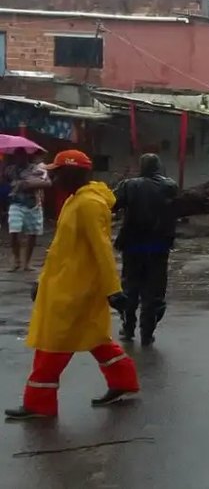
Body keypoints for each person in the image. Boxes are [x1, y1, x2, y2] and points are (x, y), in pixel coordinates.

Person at [5, 150, 140, 421]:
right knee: (95, 339)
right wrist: (41, 281)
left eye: (57, 171)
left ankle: (39, 404)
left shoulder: (89, 204)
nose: (51, 176)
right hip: (65, 286)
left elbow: (101, 249)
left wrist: (113, 290)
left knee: (52, 344)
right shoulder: (75, 200)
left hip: (75, 291)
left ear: (73, 173)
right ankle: (123, 383)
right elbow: (60, 250)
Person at [113, 153, 179, 346]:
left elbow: (112, 204)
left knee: (130, 288)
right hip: (159, 246)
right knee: (154, 291)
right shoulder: (170, 186)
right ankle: (147, 333)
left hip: (133, 244)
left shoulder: (129, 185)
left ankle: (128, 327)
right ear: (158, 167)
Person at [5, 149, 51, 272]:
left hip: (33, 204)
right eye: (17, 156)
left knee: (33, 233)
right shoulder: (10, 170)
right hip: (16, 203)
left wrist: (28, 183)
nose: (20, 158)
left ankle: (27, 263)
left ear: (27, 157)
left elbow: (47, 183)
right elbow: (6, 181)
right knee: (14, 231)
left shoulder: (36, 169)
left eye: (22, 156)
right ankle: (17, 260)